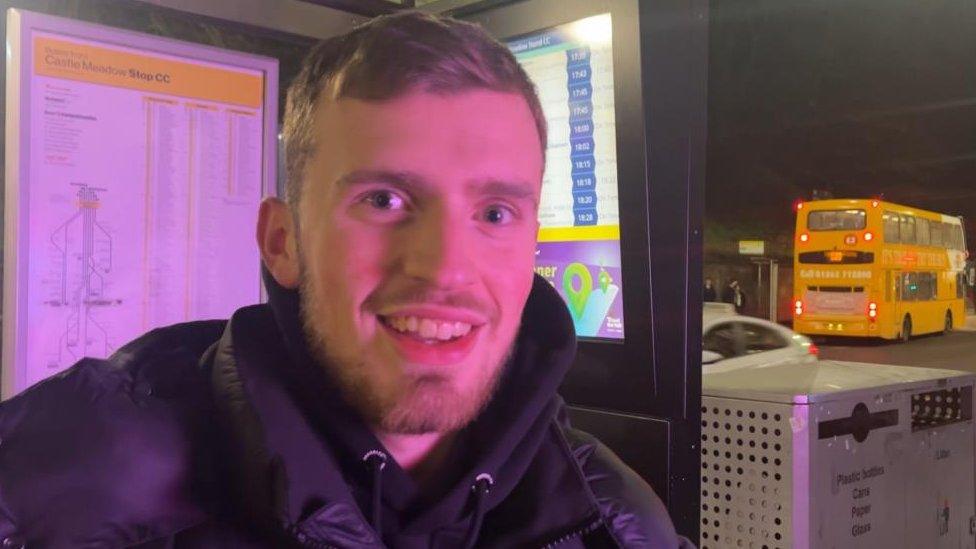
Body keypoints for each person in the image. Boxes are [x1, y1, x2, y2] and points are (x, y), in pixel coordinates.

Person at [0, 11, 692, 549]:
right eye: (385, 200)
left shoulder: (617, 522)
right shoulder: (61, 489)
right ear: (282, 241)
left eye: (494, 211)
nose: (445, 267)